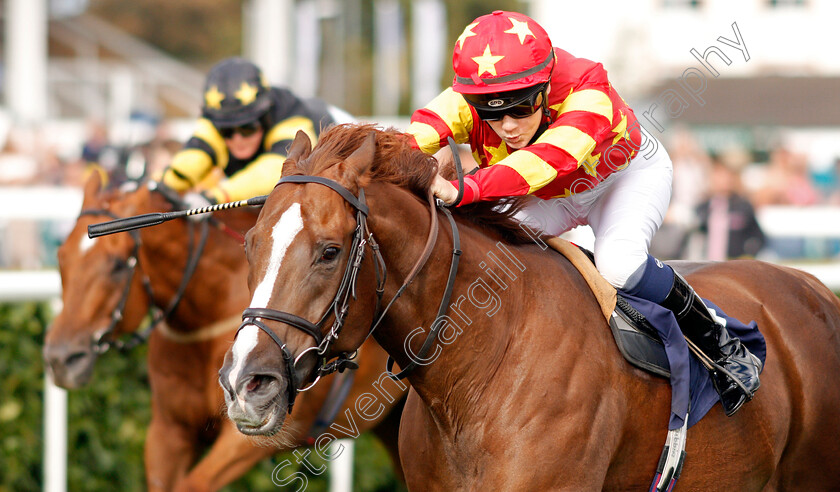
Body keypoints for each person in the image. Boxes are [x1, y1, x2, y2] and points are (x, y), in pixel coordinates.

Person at [407, 10, 760, 416]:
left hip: (623, 177)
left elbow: (546, 162)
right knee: (489, 255)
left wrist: (462, 188)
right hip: (550, 193)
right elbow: (413, 137)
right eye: (491, 112)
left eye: (521, 109)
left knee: (620, 265)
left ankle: (721, 341)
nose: (506, 126)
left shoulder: (587, 89)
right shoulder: (477, 92)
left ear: (543, 87)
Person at [161, 57, 353, 210]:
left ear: (264, 117)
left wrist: (216, 196)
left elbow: (278, 169)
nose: (237, 140)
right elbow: (193, 157)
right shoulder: (214, 118)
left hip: (343, 147)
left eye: (247, 128)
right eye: (226, 131)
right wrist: (161, 185)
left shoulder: (290, 113)